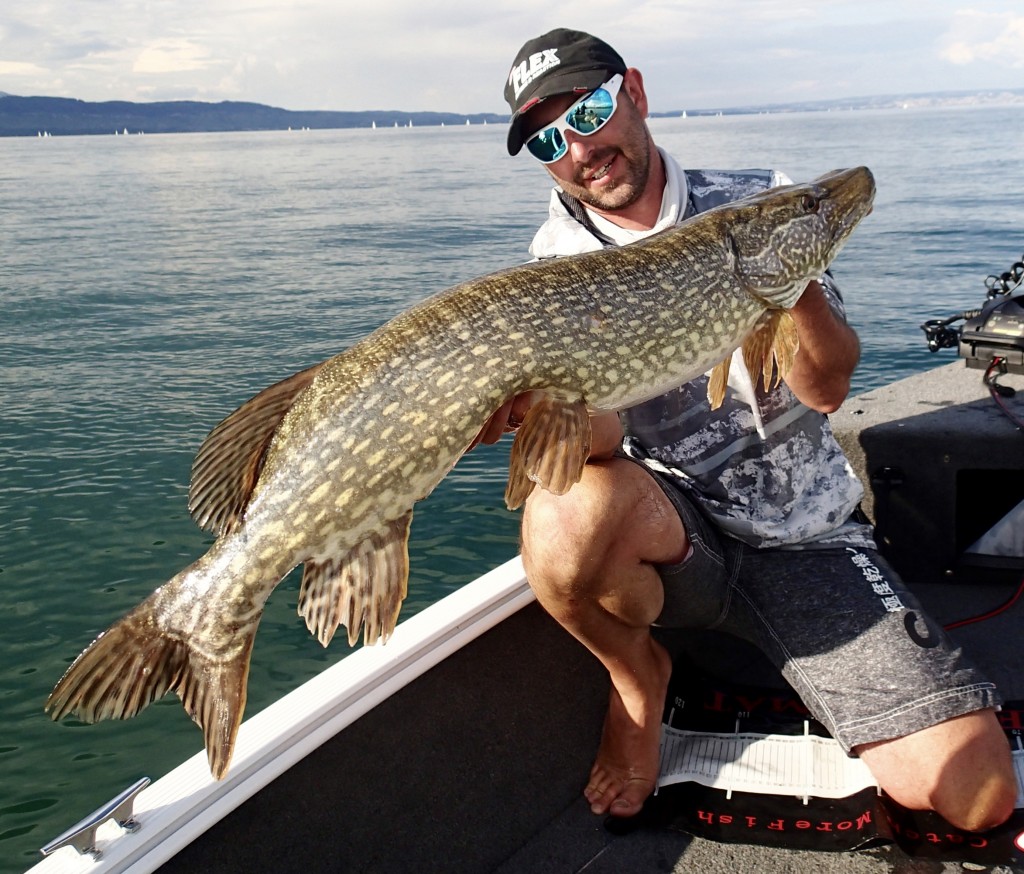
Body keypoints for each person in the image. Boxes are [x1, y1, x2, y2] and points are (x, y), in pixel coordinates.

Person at [478, 27, 1017, 830]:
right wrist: (532, 412)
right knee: (561, 512)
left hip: (808, 541)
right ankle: (638, 681)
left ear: (634, 92)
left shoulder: (759, 198)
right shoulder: (555, 264)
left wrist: (784, 284)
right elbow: (596, 442)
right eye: (550, 139)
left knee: (978, 792)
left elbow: (829, 388)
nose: (581, 148)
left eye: (589, 111)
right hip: (675, 537)